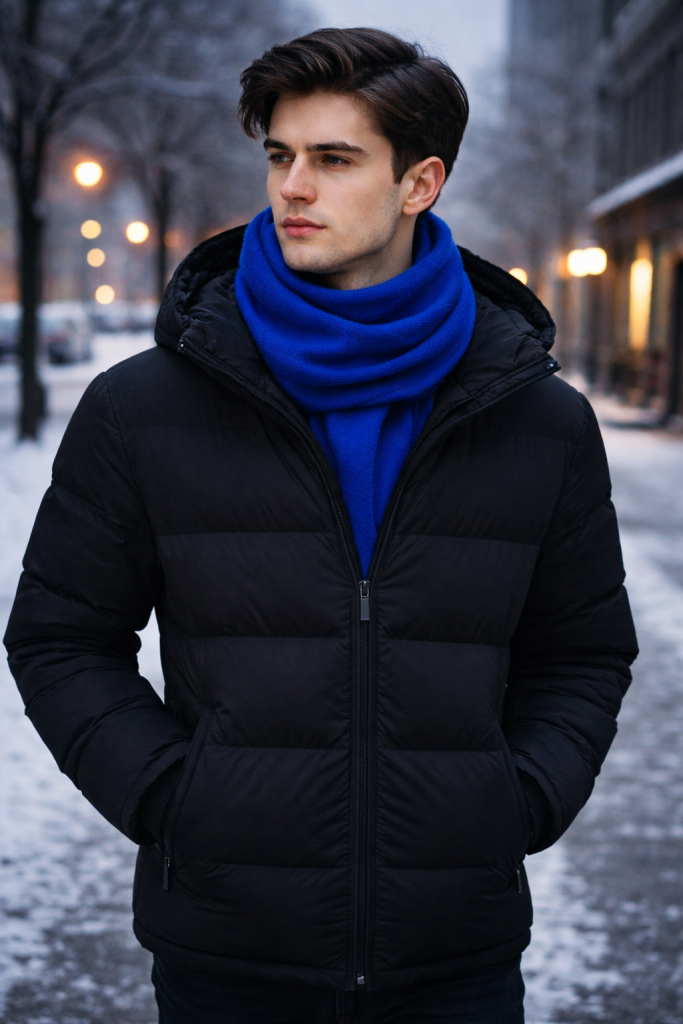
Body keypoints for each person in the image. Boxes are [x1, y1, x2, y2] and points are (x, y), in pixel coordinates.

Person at [4, 27, 638, 1024]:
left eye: (333, 159)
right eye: (279, 155)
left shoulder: (537, 418)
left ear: (418, 183)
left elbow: (583, 651)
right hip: (226, 953)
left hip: (454, 957)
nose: (292, 185)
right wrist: (176, 800)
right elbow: (59, 635)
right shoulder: (143, 406)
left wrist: (514, 800)